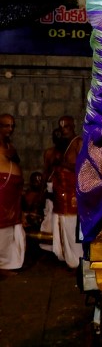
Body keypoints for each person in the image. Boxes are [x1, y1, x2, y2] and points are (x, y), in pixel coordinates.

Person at [50, 116, 84, 268]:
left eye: (66, 127)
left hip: (73, 194)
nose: (63, 130)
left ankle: (77, 260)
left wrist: (63, 163)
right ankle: (66, 257)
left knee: (72, 227)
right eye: (61, 127)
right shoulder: (59, 146)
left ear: (72, 126)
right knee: (61, 225)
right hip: (60, 193)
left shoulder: (78, 142)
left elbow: (83, 168)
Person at [0, 112, 24, 270]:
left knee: (10, 231)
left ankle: (7, 263)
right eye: (7, 125)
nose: (11, 129)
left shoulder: (11, 148)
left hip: (12, 192)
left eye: (12, 126)